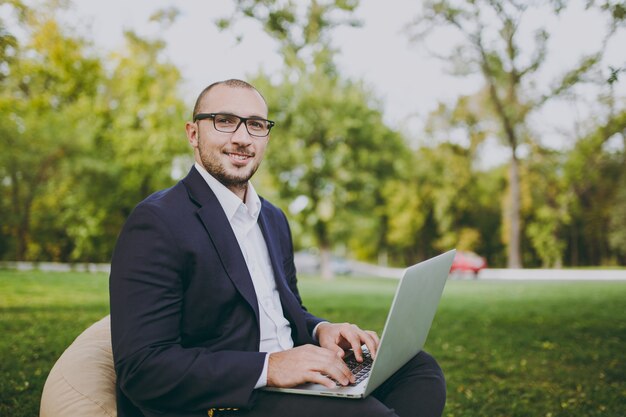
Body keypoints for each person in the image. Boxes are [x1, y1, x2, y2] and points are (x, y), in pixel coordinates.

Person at [109, 79, 446, 417]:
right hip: (230, 399)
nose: (242, 138)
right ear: (193, 133)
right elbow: (142, 368)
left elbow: (284, 312)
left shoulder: (272, 218)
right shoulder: (156, 222)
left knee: (418, 371)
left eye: (255, 125)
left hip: (293, 377)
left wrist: (320, 330)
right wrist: (270, 367)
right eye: (224, 121)